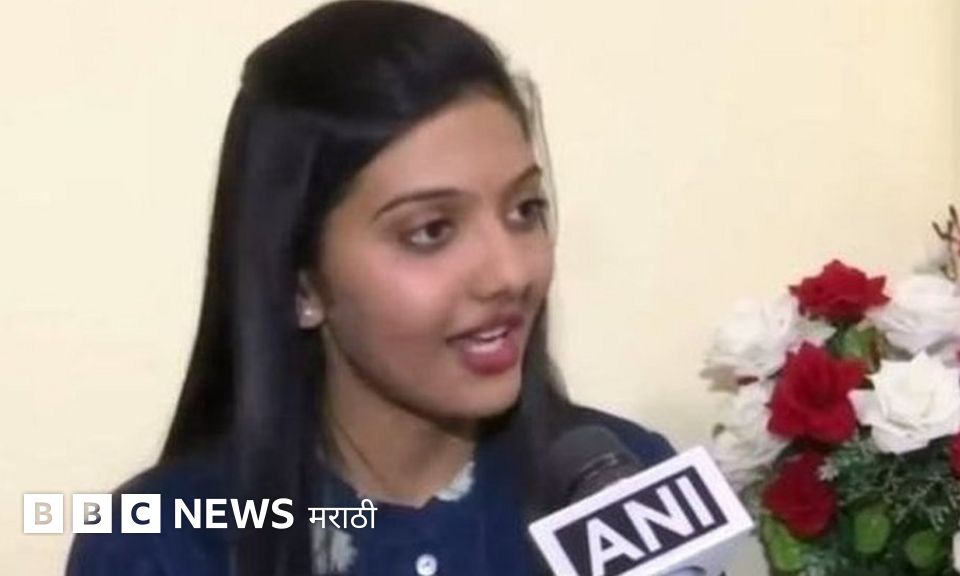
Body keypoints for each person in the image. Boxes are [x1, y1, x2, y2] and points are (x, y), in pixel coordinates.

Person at [66, 1, 675, 574]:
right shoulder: (163, 542)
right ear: (301, 283)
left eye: (524, 210)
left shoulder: (628, 487)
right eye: (432, 231)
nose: (509, 273)